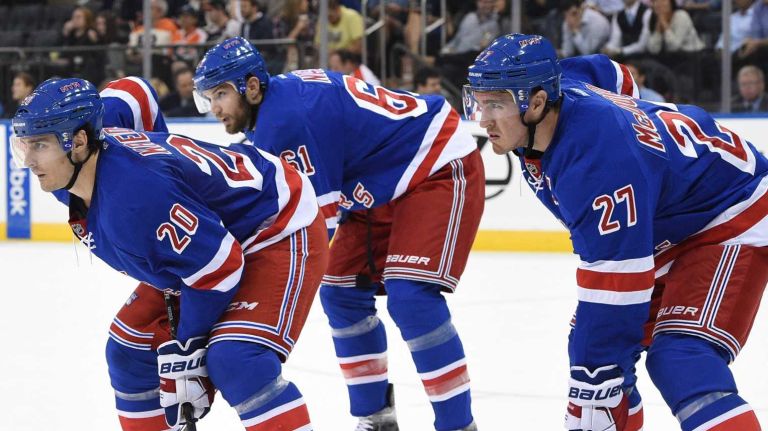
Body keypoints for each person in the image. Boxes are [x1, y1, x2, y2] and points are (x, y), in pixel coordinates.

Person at [464, 33, 768, 431]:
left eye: (496, 103)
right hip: (667, 226)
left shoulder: (598, 164)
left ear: (536, 103)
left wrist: (594, 378)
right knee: (596, 360)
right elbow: (612, 73)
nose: (483, 119)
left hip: (731, 213)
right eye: (479, 101)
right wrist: (638, 121)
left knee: (679, 359)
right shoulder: (561, 86)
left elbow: (617, 283)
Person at [194, 37, 484, 431]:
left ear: (251, 86)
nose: (214, 109)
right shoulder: (272, 117)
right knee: (342, 291)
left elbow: (311, 231)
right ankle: (376, 419)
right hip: (377, 182)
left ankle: (457, 426)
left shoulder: (286, 122)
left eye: (221, 94)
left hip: (432, 161)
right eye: (207, 98)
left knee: (411, 297)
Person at [12, 77, 329, 431]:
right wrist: (164, 156)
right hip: (210, 243)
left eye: (40, 145)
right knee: (128, 350)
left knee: (236, 360)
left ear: (80, 142)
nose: (29, 161)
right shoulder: (78, 162)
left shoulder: (137, 198)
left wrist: (187, 349)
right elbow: (133, 91)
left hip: (276, 223)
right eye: (24, 145)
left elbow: (219, 268)